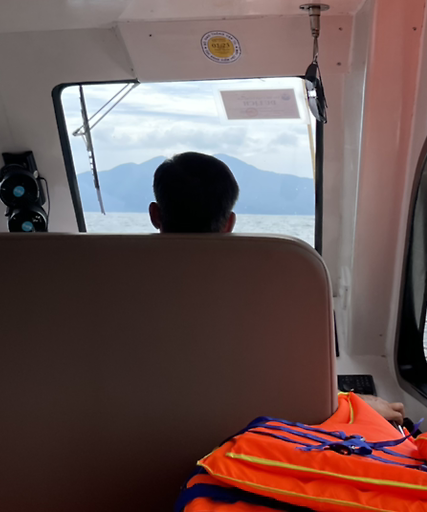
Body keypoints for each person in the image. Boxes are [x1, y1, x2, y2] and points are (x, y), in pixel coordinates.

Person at [147, 151, 406, 425]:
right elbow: (279, 396)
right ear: (229, 223)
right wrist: (355, 405)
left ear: (155, 215)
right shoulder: (274, 286)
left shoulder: (118, 287)